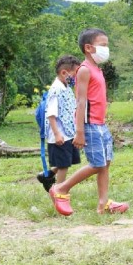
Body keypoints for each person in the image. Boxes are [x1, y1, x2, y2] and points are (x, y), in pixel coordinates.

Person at [48, 28, 129, 216]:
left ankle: (103, 204)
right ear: (88, 48)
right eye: (103, 45)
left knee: (105, 163)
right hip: (90, 125)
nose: (106, 49)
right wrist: (80, 131)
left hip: (101, 124)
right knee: (97, 164)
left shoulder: (97, 70)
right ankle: (61, 188)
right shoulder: (84, 70)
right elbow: (81, 101)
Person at [44, 55, 82, 186]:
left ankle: (46, 175)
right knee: (63, 165)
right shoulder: (56, 90)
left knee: (67, 160)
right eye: (75, 73)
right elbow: (51, 114)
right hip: (60, 135)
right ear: (64, 73)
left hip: (68, 133)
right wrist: (56, 134)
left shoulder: (65, 87)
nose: (77, 77)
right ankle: (60, 191)